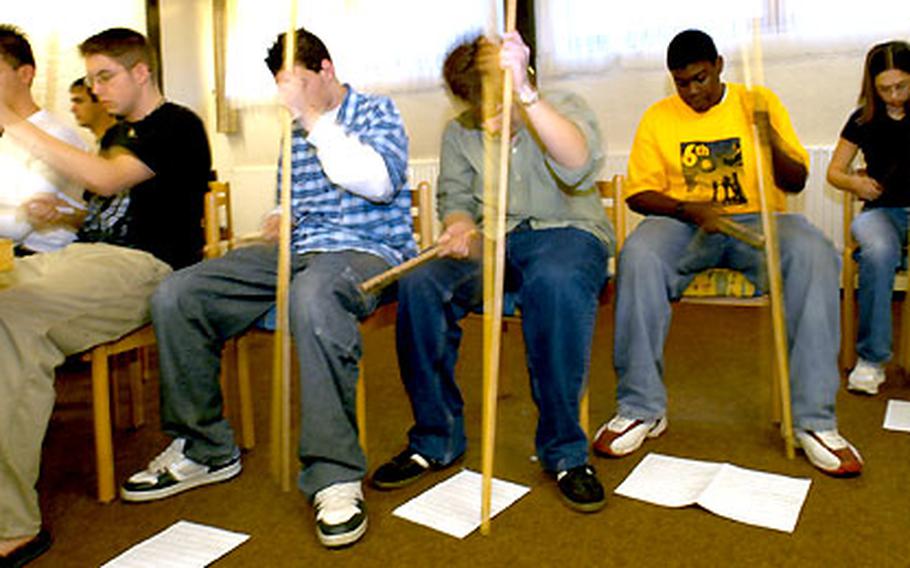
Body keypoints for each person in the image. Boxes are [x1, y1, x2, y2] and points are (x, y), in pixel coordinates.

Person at [122, 28, 414, 549]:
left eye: (297, 84)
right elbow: (291, 200)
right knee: (178, 292)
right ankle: (204, 446)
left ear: (325, 69)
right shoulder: (293, 133)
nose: (290, 100)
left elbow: (378, 182)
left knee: (314, 296)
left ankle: (333, 475)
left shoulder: (376, 112)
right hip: (299, 250)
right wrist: (279, 215)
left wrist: (313, 119)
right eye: (284, 89)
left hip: (367, 250)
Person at [592, 29, 863, 478]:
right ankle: (641, 407)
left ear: (718, 65)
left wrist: (766, 136)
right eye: (682, 82)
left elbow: (795, 181)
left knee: (815, 253)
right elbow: (638, 195)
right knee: (638, 254)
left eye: (700, 78)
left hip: (758, 221)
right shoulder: (658, 118)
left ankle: (813, 421)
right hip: (685, 223)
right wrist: (689, 208)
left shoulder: (759, 101)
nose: (692, 91)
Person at [370, 32, 614, 512]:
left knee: (556, 282)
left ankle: (565, 451)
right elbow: (456, 202)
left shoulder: (561, 106)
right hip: (494, 242)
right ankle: (434, 438)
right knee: (419, 282)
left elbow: (579, 166)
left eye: (497, 107)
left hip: (567, 234)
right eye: (477, 110)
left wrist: (526, 98)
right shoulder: (459, 132)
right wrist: (459, 226)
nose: (488, 121)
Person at [0, 27, 211, 566]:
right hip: (87, 257)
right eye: (90, 78)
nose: (95, 89)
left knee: (13, 319)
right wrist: (68, 211)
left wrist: (8, 119)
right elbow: (106, 210)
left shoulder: (177, 125)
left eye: (105, 76)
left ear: (141, 71)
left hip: (145, 269)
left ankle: (12, 525)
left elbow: (112, 181)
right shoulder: (119, 133)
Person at [827, 41, 910, 396]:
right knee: (877, 252)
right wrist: (855, 181)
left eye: (902, 86)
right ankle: (871, 360)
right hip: (881, 212)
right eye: (884, 88)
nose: (894, 95)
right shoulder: (862, 119)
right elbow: (834, 172)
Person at [0, 25, 87, 257]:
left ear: (25, 74)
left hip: (44, 258)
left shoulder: (55, 136)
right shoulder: (9, 134)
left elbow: (21, 225)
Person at [69, 76, 116, 144]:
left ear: (103, 102)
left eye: (79, 101)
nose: (72, 109)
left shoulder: (122, 144)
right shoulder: (104, 143)